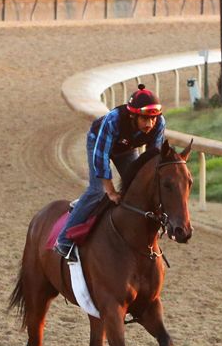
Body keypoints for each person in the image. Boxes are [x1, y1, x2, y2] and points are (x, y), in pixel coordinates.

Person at [55, 84, 166, 261]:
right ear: (133, 115)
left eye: (153, 119)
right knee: (97, 190)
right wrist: (111, 192)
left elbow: (153, 158)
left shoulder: (159, 123)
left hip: (127, 149)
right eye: (145, 119)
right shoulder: (113, 120)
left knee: (139, 186)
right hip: (99, 143)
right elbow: (101, 157)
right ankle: (64, 239)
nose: (150, 124)